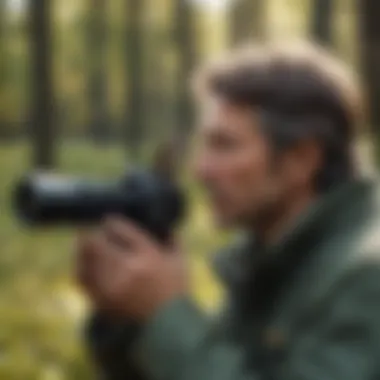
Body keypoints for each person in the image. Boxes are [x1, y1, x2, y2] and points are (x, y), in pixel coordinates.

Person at [76, 41, 380, 380]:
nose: (201, 170)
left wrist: (165, 315)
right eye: (204, 145)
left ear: (301, 160)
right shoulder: (275, 258)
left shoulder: (365, 275)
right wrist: (131, 317)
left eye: (225, 145)